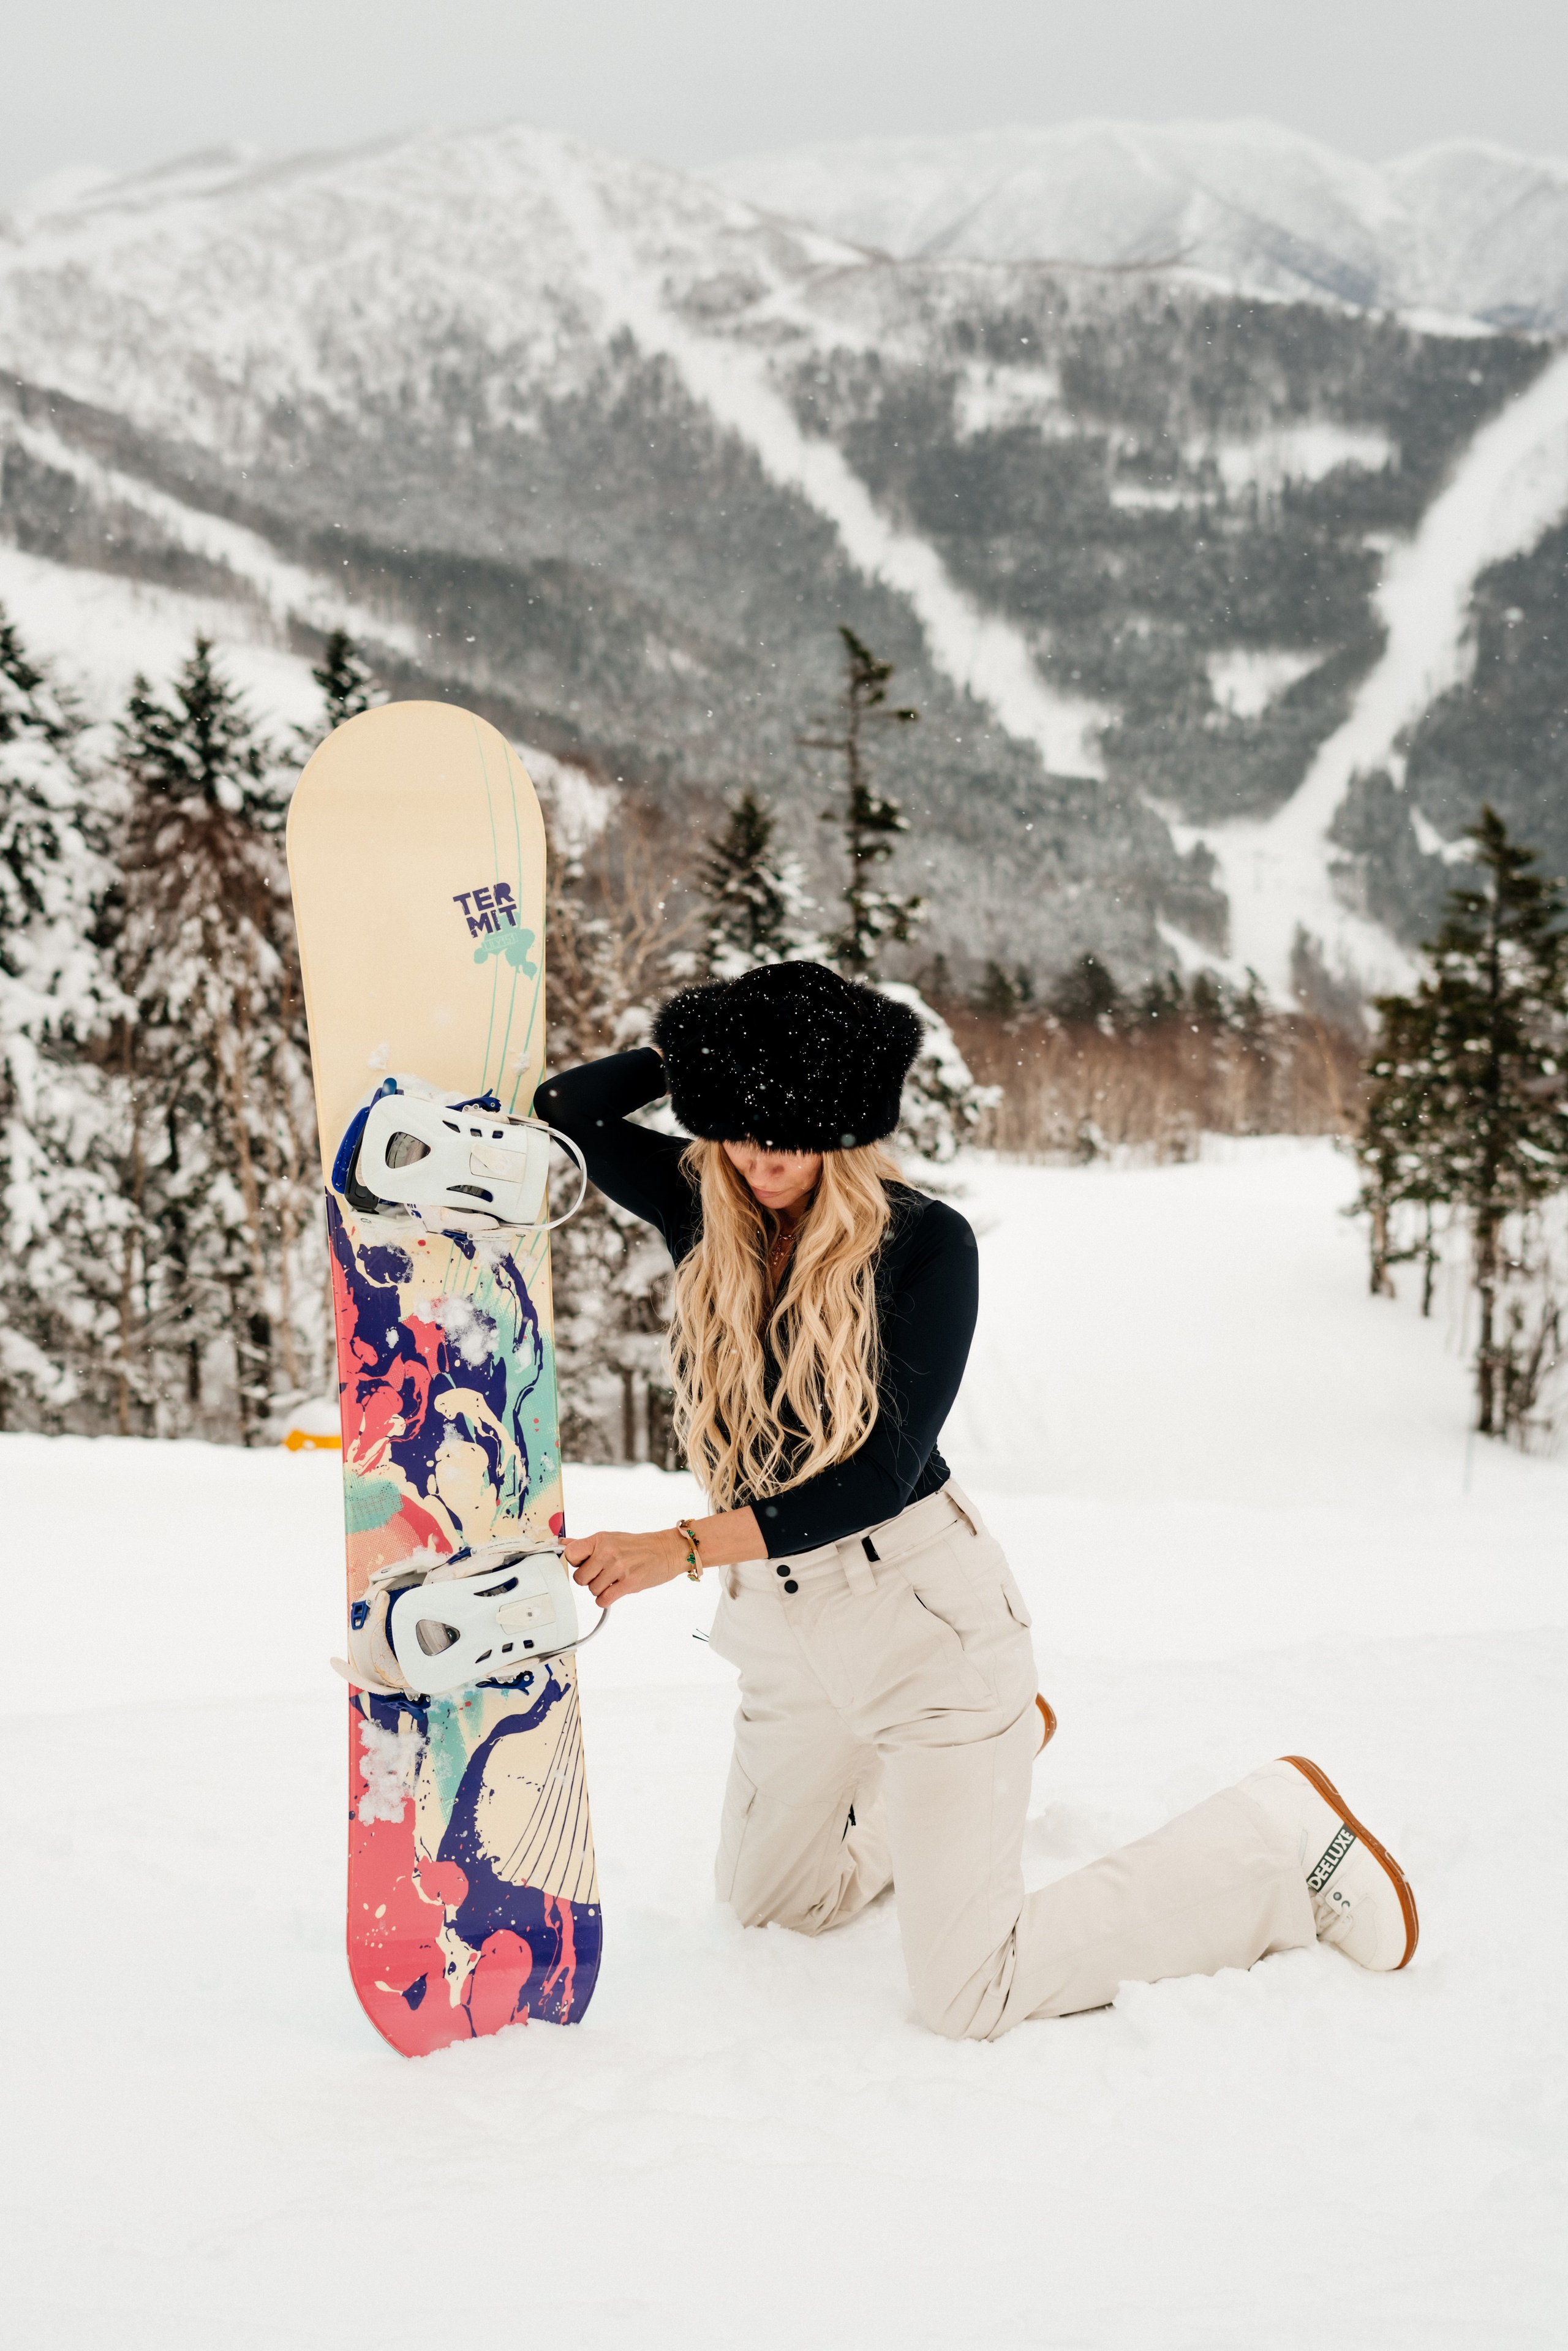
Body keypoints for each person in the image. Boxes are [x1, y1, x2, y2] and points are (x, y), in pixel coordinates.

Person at [541, 961, 1419, 2038]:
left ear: (848, 1125)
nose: (767, 1154)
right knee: (776, 1906)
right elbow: (565, 1112)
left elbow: (878, 1477)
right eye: (744, 1123)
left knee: (970, 1992)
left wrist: (677, 1547)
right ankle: (953, 1786)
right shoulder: (704, 1203)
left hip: (919, 1619)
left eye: (798, 1124)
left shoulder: (923, 1244)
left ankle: (1273, 1844)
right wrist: (720, 1053)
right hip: (778, 1619)